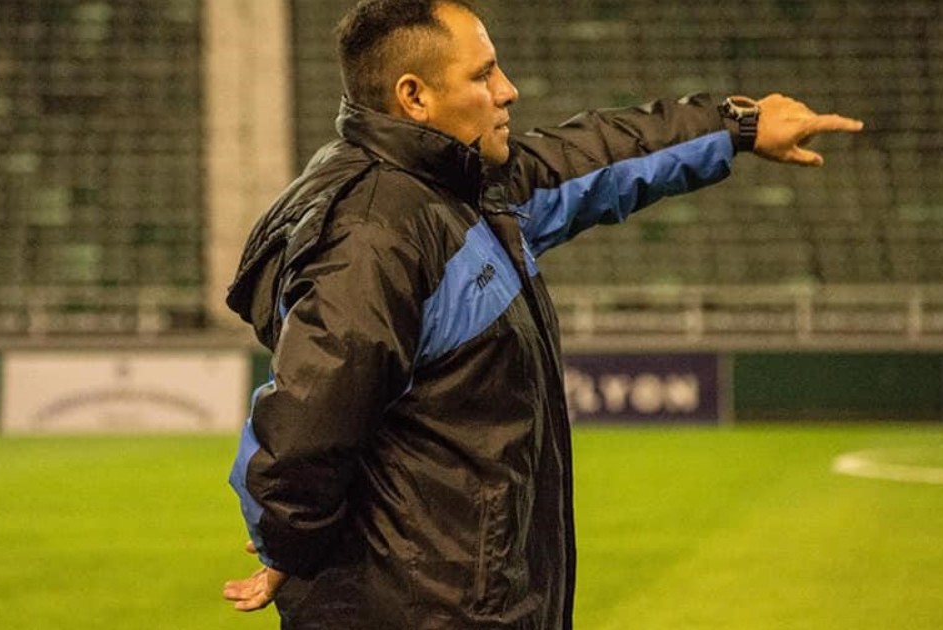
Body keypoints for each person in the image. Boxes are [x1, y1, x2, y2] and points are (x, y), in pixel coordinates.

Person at [221, 0, 863, 627]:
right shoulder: (373, 235)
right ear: (414, 96)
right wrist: (288, 542)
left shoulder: (463, 188)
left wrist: (735, 126)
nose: (509, 90)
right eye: (483, 74)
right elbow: (303, 428)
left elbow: (593, 158)